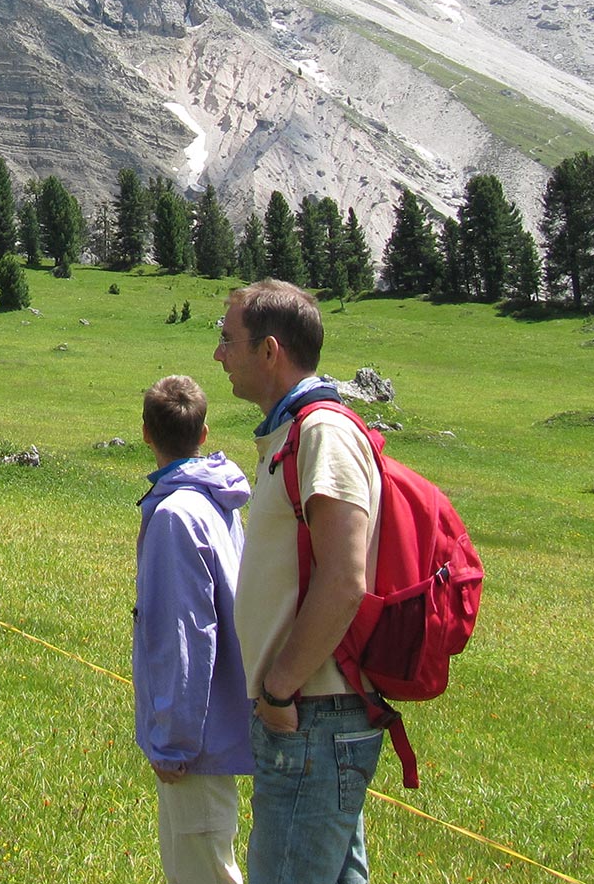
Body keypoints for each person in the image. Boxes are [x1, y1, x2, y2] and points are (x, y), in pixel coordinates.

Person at [215, 281, 384, 884]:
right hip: (309, 719)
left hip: (312, 719)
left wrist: (279, 690)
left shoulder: (322, 434)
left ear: (270, 351)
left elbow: (344, 579)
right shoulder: (291, 433)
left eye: (227, 339)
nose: (218, 355)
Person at [134, 374, 253, 884]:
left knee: (203, 870)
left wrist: (173, 743)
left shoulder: (176, 515)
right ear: (204, 434)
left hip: (196, 742)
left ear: (145, 433)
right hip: (221, 720)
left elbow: (186, 636)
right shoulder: (215, 501)